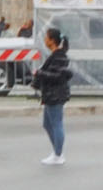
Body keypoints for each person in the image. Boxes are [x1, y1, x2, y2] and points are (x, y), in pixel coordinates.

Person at [29, 28, 72, 165]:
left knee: (56, 123)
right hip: (50, 94)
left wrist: (40, 74)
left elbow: (58, 76)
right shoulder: (55, 55)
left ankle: (58, 154)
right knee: (47, 124)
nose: (45, 40)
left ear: (52, 40)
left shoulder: (59, 56)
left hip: (55, 94)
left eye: (46, 37)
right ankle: (56, 152)